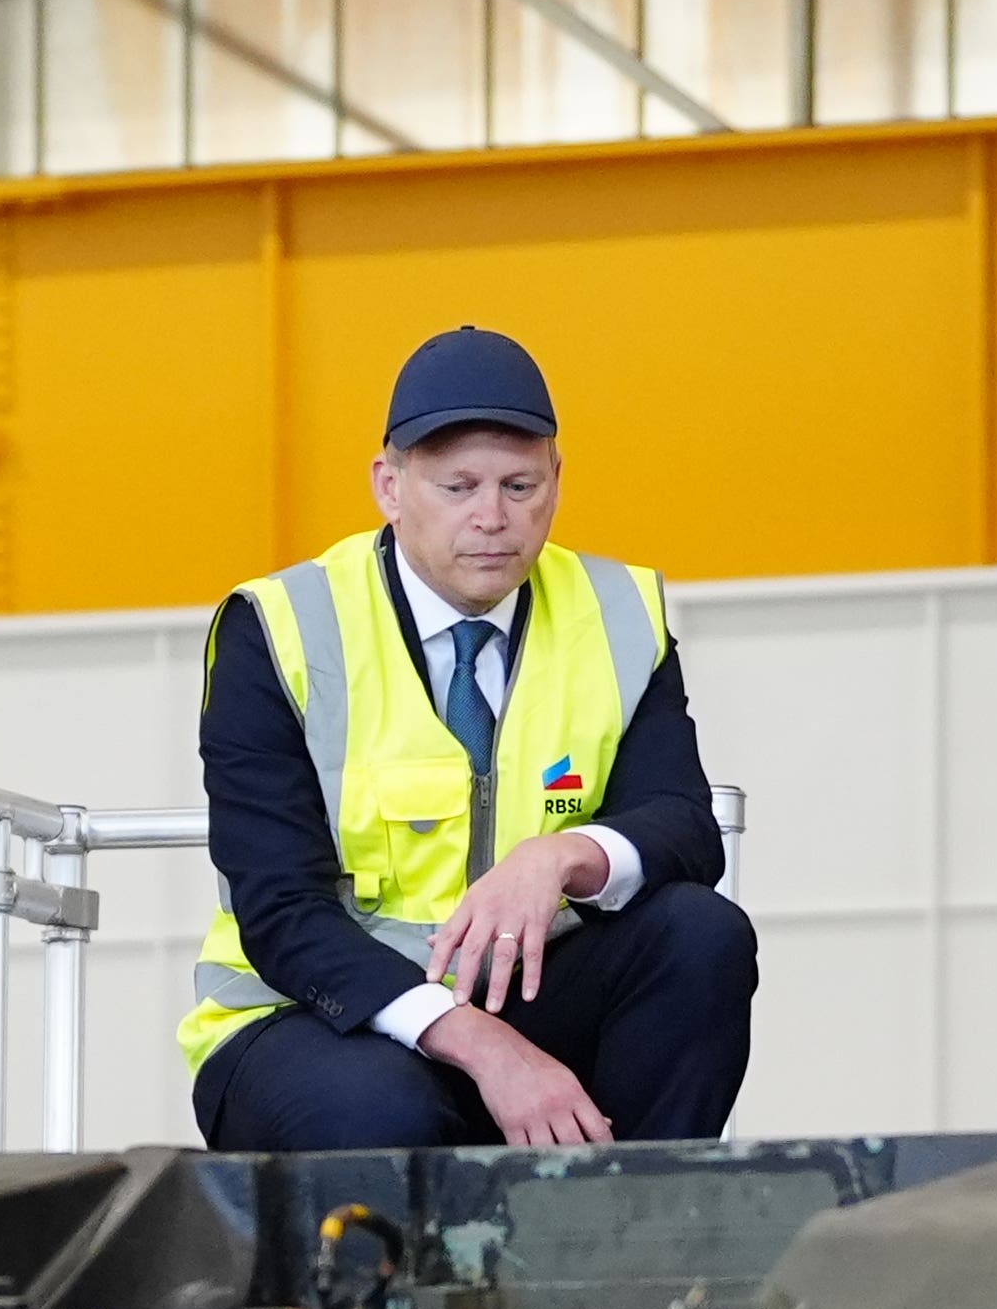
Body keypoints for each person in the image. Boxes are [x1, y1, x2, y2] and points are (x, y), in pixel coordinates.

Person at [183, 328, 752, 1154]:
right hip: (316, 1015)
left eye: (520, 486)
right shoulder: (280, 629)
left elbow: (683, 823)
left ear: (558, 482)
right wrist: (486, 1047)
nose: (493, 518)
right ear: (389, 485)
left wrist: (560, 858)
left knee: (701, 936)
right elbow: (280, 911)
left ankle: (629, 1246)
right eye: (458, 487)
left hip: (525, 988)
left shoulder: (619, 613)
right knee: (385, 1111)